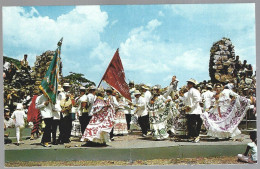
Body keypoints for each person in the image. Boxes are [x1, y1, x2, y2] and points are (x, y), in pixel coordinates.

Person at [184, 78, 202, 143]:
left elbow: (197, 99)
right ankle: (195, 136)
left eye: (189, 83)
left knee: (192, 124)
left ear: (192, 84)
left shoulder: (194, 91)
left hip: (195, 110)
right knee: (193, 123)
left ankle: (196, 136)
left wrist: (191, 106)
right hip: (192, 110)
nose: (187, 84)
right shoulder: (190, 91)